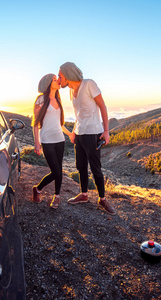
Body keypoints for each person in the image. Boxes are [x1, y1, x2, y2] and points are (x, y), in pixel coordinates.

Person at [58, 62, 116, 215]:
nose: (59, 79)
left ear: (68, 75)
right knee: (80, 166)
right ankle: (84, 195)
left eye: (60, 76)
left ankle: (102, 199)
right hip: (80, 134)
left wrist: (106, 131)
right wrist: (74, 133)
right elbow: (79, 115)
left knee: (95, 168)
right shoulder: (71, 92)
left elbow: (102, 106)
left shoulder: (89, 84)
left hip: (93, 133)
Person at [32, 73, 71, 208]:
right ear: (49, 83)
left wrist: (70, 134)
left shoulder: (58, 100)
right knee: (56, 172)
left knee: (58, 169)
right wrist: (37, 142)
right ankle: (37, 189)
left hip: (60, 139)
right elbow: (35, 123)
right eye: (55, 80)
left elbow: (59, 123)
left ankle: (57, 197)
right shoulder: (41, 100)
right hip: (47, 140)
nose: (58, 81)